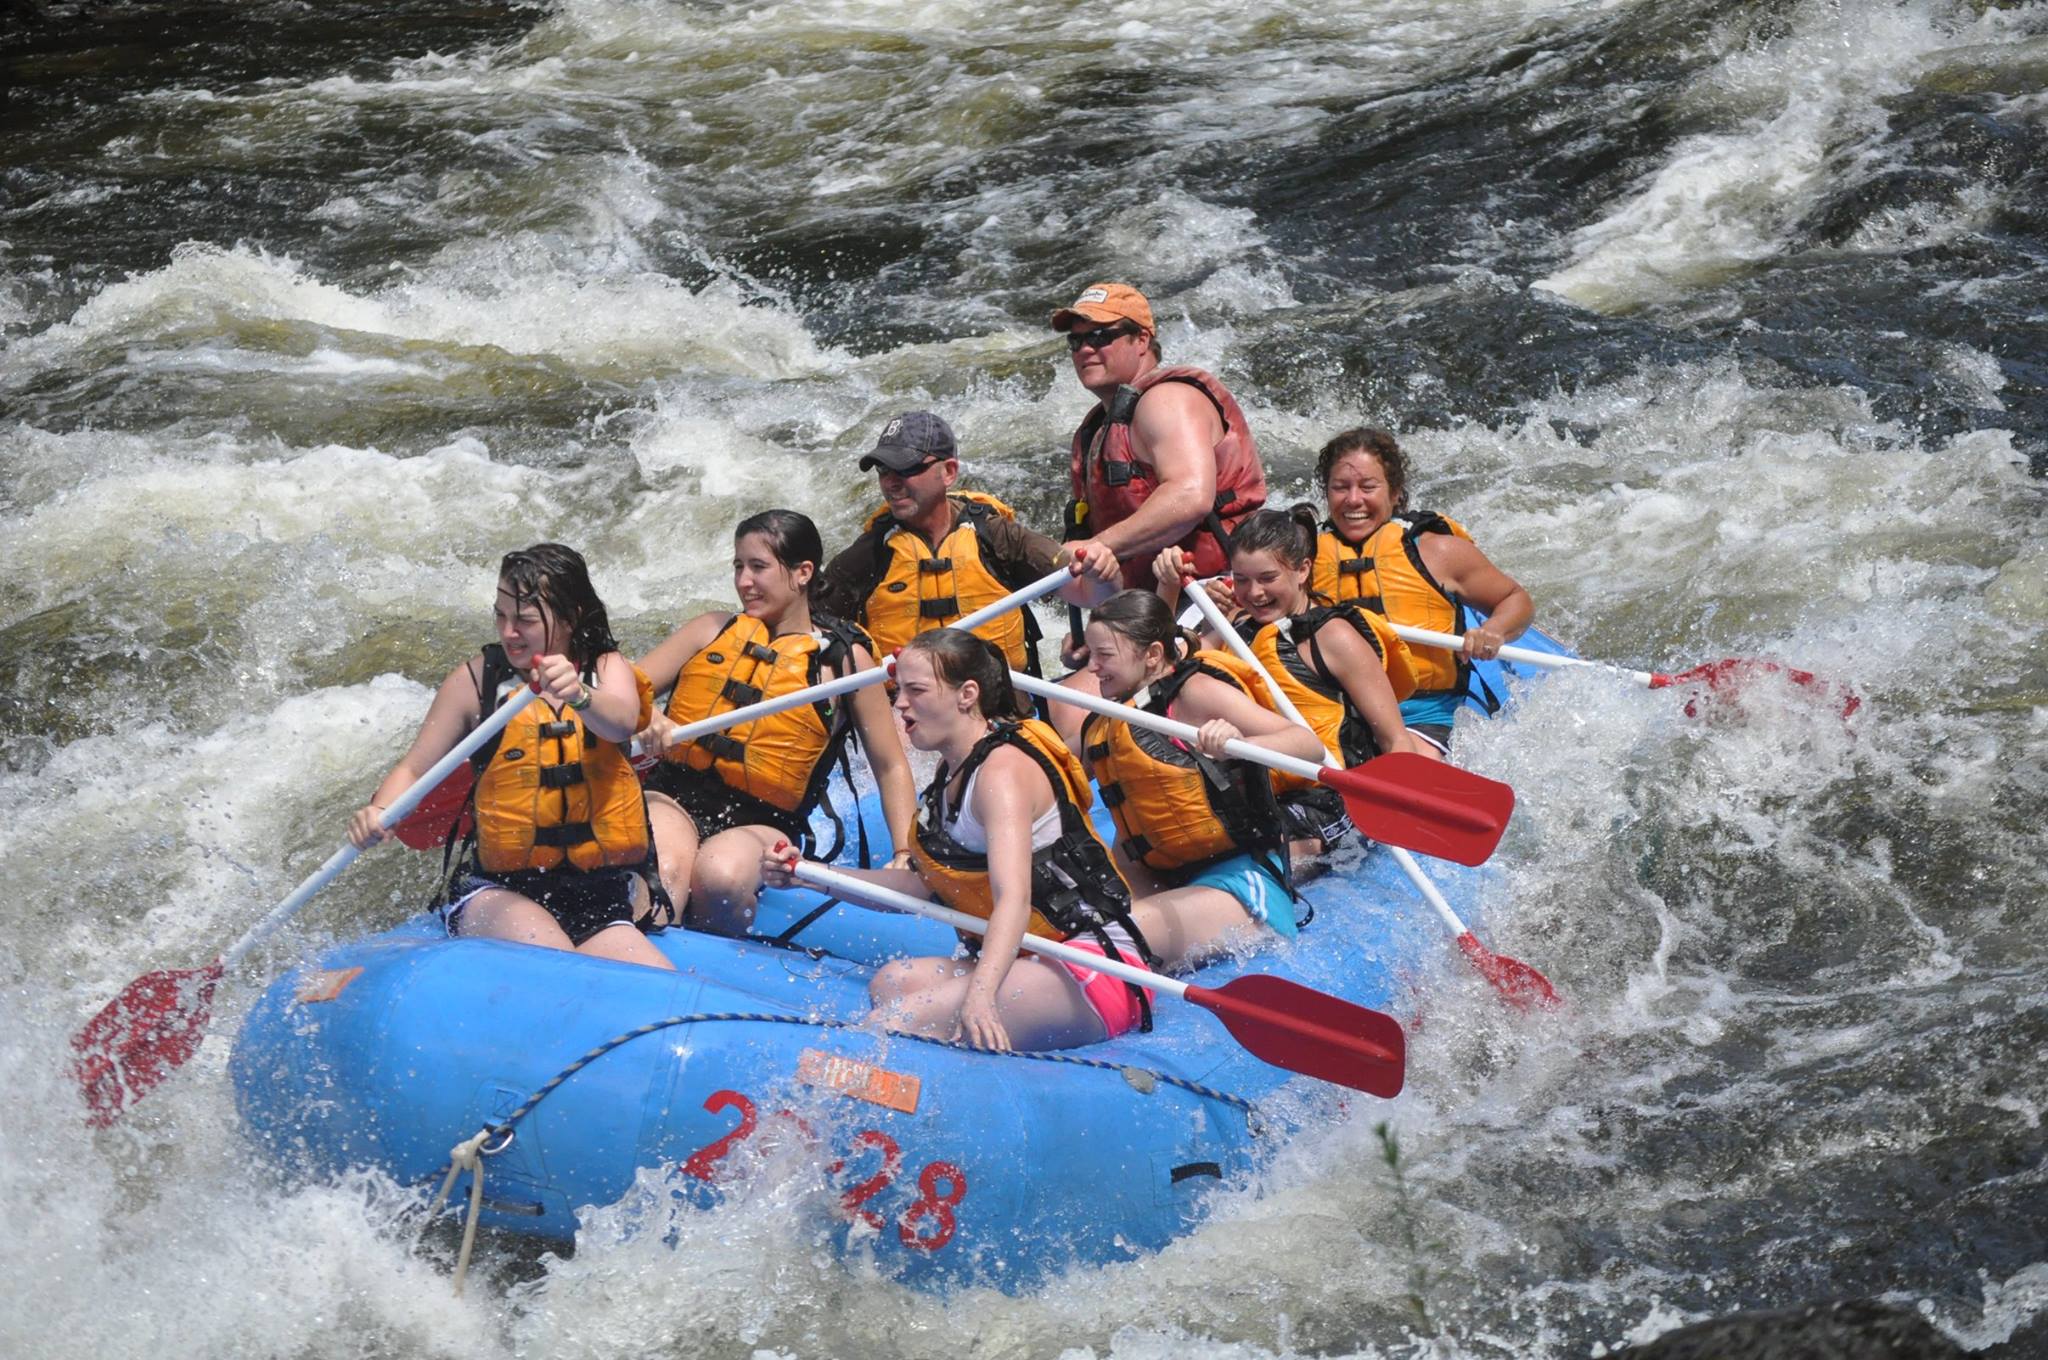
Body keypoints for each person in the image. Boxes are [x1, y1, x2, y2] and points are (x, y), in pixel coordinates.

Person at [761, 630, 1154, 1052]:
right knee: (891, 983)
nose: (899, 705)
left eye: (916, 691)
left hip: (1094, 964)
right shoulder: (951, 775)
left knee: (893, 1024)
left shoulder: (1001, 774)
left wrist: (981, 997)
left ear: (967, 694)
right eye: (898, 691)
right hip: (1031, 957)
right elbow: (922, 886)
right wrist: (811, 875)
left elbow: (1014, 900)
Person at [347, 544, 673, 970]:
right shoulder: (477, 680)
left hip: (597, 892)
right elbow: (414, 767)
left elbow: (622, 723)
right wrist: (379, 811)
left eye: (525, 620)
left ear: (570, 617)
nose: (508, 631)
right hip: (501, 889)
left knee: (658, 983)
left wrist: (579, 694)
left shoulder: (606, 668)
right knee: (555, 961)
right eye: (501, 616)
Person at [635, 510, 914, 936]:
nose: (744, 581)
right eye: (738, 566)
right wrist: (646, 712)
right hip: (675, 795)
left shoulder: (844, 662)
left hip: (761, 820)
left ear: (803, 573)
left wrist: (902, 850)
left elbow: (890, 764)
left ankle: (716, 965)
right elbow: (622, 697)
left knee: (720, 878)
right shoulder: (711, 629)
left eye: (758, 567)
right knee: (668, 871)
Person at [1074, 591, 1328, 971]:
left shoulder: (1194, 693)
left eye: (1104, 655)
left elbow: (1308, 746)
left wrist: (1240, 745)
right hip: (1161, 878)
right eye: (1090, 654)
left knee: (1113, 939)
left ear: (1154, 655)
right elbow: (1053, 767)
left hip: (1240, 884)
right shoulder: (1107, 717)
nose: (1092, 667)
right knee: (1078, 926)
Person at [1156, 506, 1432, 855]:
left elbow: (1395, 740)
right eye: (1241, 579)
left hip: (1332, 798)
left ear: (1302, 570)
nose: (1254, 593)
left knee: (1258, 859)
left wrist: (1393, 819)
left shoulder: (1334, 637)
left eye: (1267, 578)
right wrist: (1167, 586)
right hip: (1260, 791)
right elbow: (1163, 665)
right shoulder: (1232, 627)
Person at [823, 410, 1120, 684]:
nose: (891, 483)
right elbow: (812, 629)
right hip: (909, 714)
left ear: (949, 471)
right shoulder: (870, 554)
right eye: (883, 471)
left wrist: (1101, 573)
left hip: (997, 711)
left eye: (905, 469)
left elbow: (1089, 593)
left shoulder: (995, 537)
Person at [1311, 427, 1535, 752]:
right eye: (1340, 488)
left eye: (1368, 487)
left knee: (1401, 768)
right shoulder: (1302, 556)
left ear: (1395, 493)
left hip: (1423, 714)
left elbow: (1515, 600)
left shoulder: (1437, 551)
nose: (1353, 500)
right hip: (1335, 710)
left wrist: (1493, 630)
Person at [1050, 282, 1269, 595]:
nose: (1085, 349)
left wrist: (1095, 546)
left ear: (1141, 340)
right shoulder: (1094, 432)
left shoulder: (1166, 400)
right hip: (1145, 611)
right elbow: (1096, 573)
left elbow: (1191, 495)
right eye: (1076, 340)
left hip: (1218, 599)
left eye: (1100, 336)